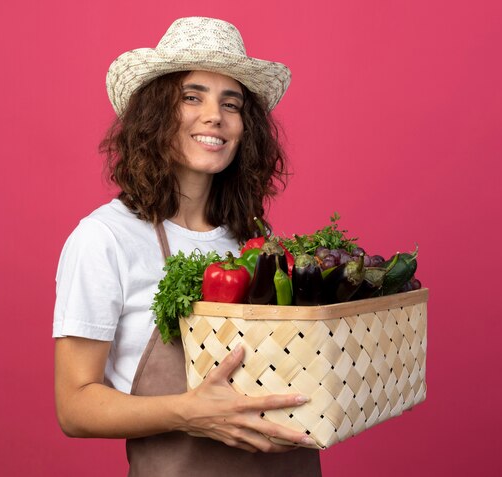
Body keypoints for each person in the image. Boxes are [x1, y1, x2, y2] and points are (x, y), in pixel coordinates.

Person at [53, 17, 322, 476]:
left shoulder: (254, 239)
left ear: (245, 127)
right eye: (191, 97)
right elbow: (74, 406)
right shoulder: (105, 239)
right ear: (156, 114)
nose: (214, 115)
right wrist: (191, 412)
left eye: (230, 103)